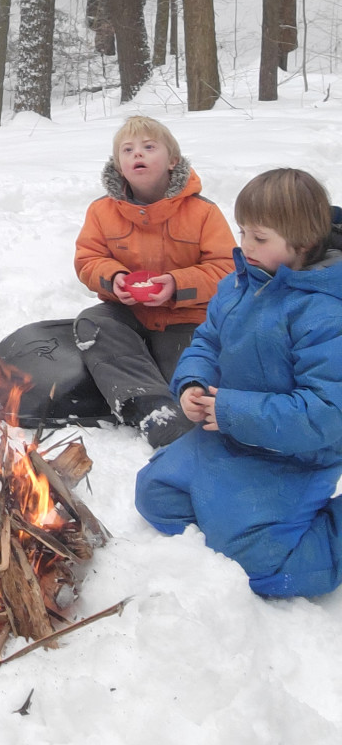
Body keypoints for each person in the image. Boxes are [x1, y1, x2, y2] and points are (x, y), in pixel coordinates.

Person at [136, 168, 342, 599]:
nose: (245, 245)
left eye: (259, 237)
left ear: (303, 242)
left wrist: (230, 411)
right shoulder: (239, 285)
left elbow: (326, 412)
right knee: (156, 494)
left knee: (266, 568)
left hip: (292, 456)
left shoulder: (325, 314)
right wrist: (193, 382)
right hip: (226, 436)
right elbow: (208, 342)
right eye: (243, 231)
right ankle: (229, 514)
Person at [73, 116, 236, 446]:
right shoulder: (101, 211)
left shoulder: (203, 212)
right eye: (128, 150)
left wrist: (176, 284)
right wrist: (114, 279)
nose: (137, 154)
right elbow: (87, 260)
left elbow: (226, 269)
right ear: (119, 165)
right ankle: (154, 412)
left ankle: (181, 409)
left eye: (149, 147)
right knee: (92, 323)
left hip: (187, 319)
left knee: (192, 375)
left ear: (172, 160)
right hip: (129, 314)